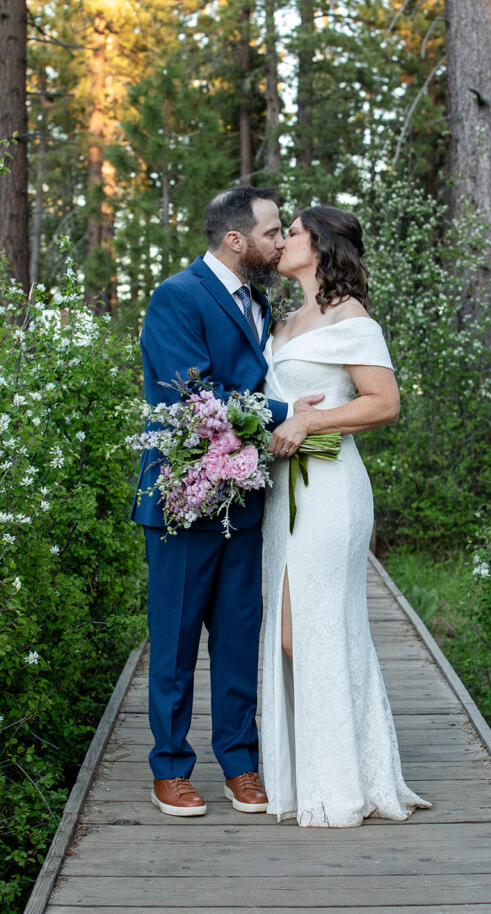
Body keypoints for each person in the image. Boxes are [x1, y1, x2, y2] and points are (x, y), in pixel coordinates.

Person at [131, 186, 323, 817]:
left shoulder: (260, 303)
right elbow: (190, 394)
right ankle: (170, 768)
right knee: (176, 637)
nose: (280, 241)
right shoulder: (176, 297)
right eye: (272, 231)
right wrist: (285, 413)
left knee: (240, 637)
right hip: (184, 498)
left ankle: (240, 763)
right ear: (236, 240)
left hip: (245, 497)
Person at [261, 205, 431, 828]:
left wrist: (310, 421)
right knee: (293, 629)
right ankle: (321, 772)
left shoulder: (350, 317)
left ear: (323, 245)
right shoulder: (282, 320)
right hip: (282, 492)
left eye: (294, 233)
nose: (282, 241)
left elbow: (383, 403)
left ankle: (347, 777)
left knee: (311, 626)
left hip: (329, 487)